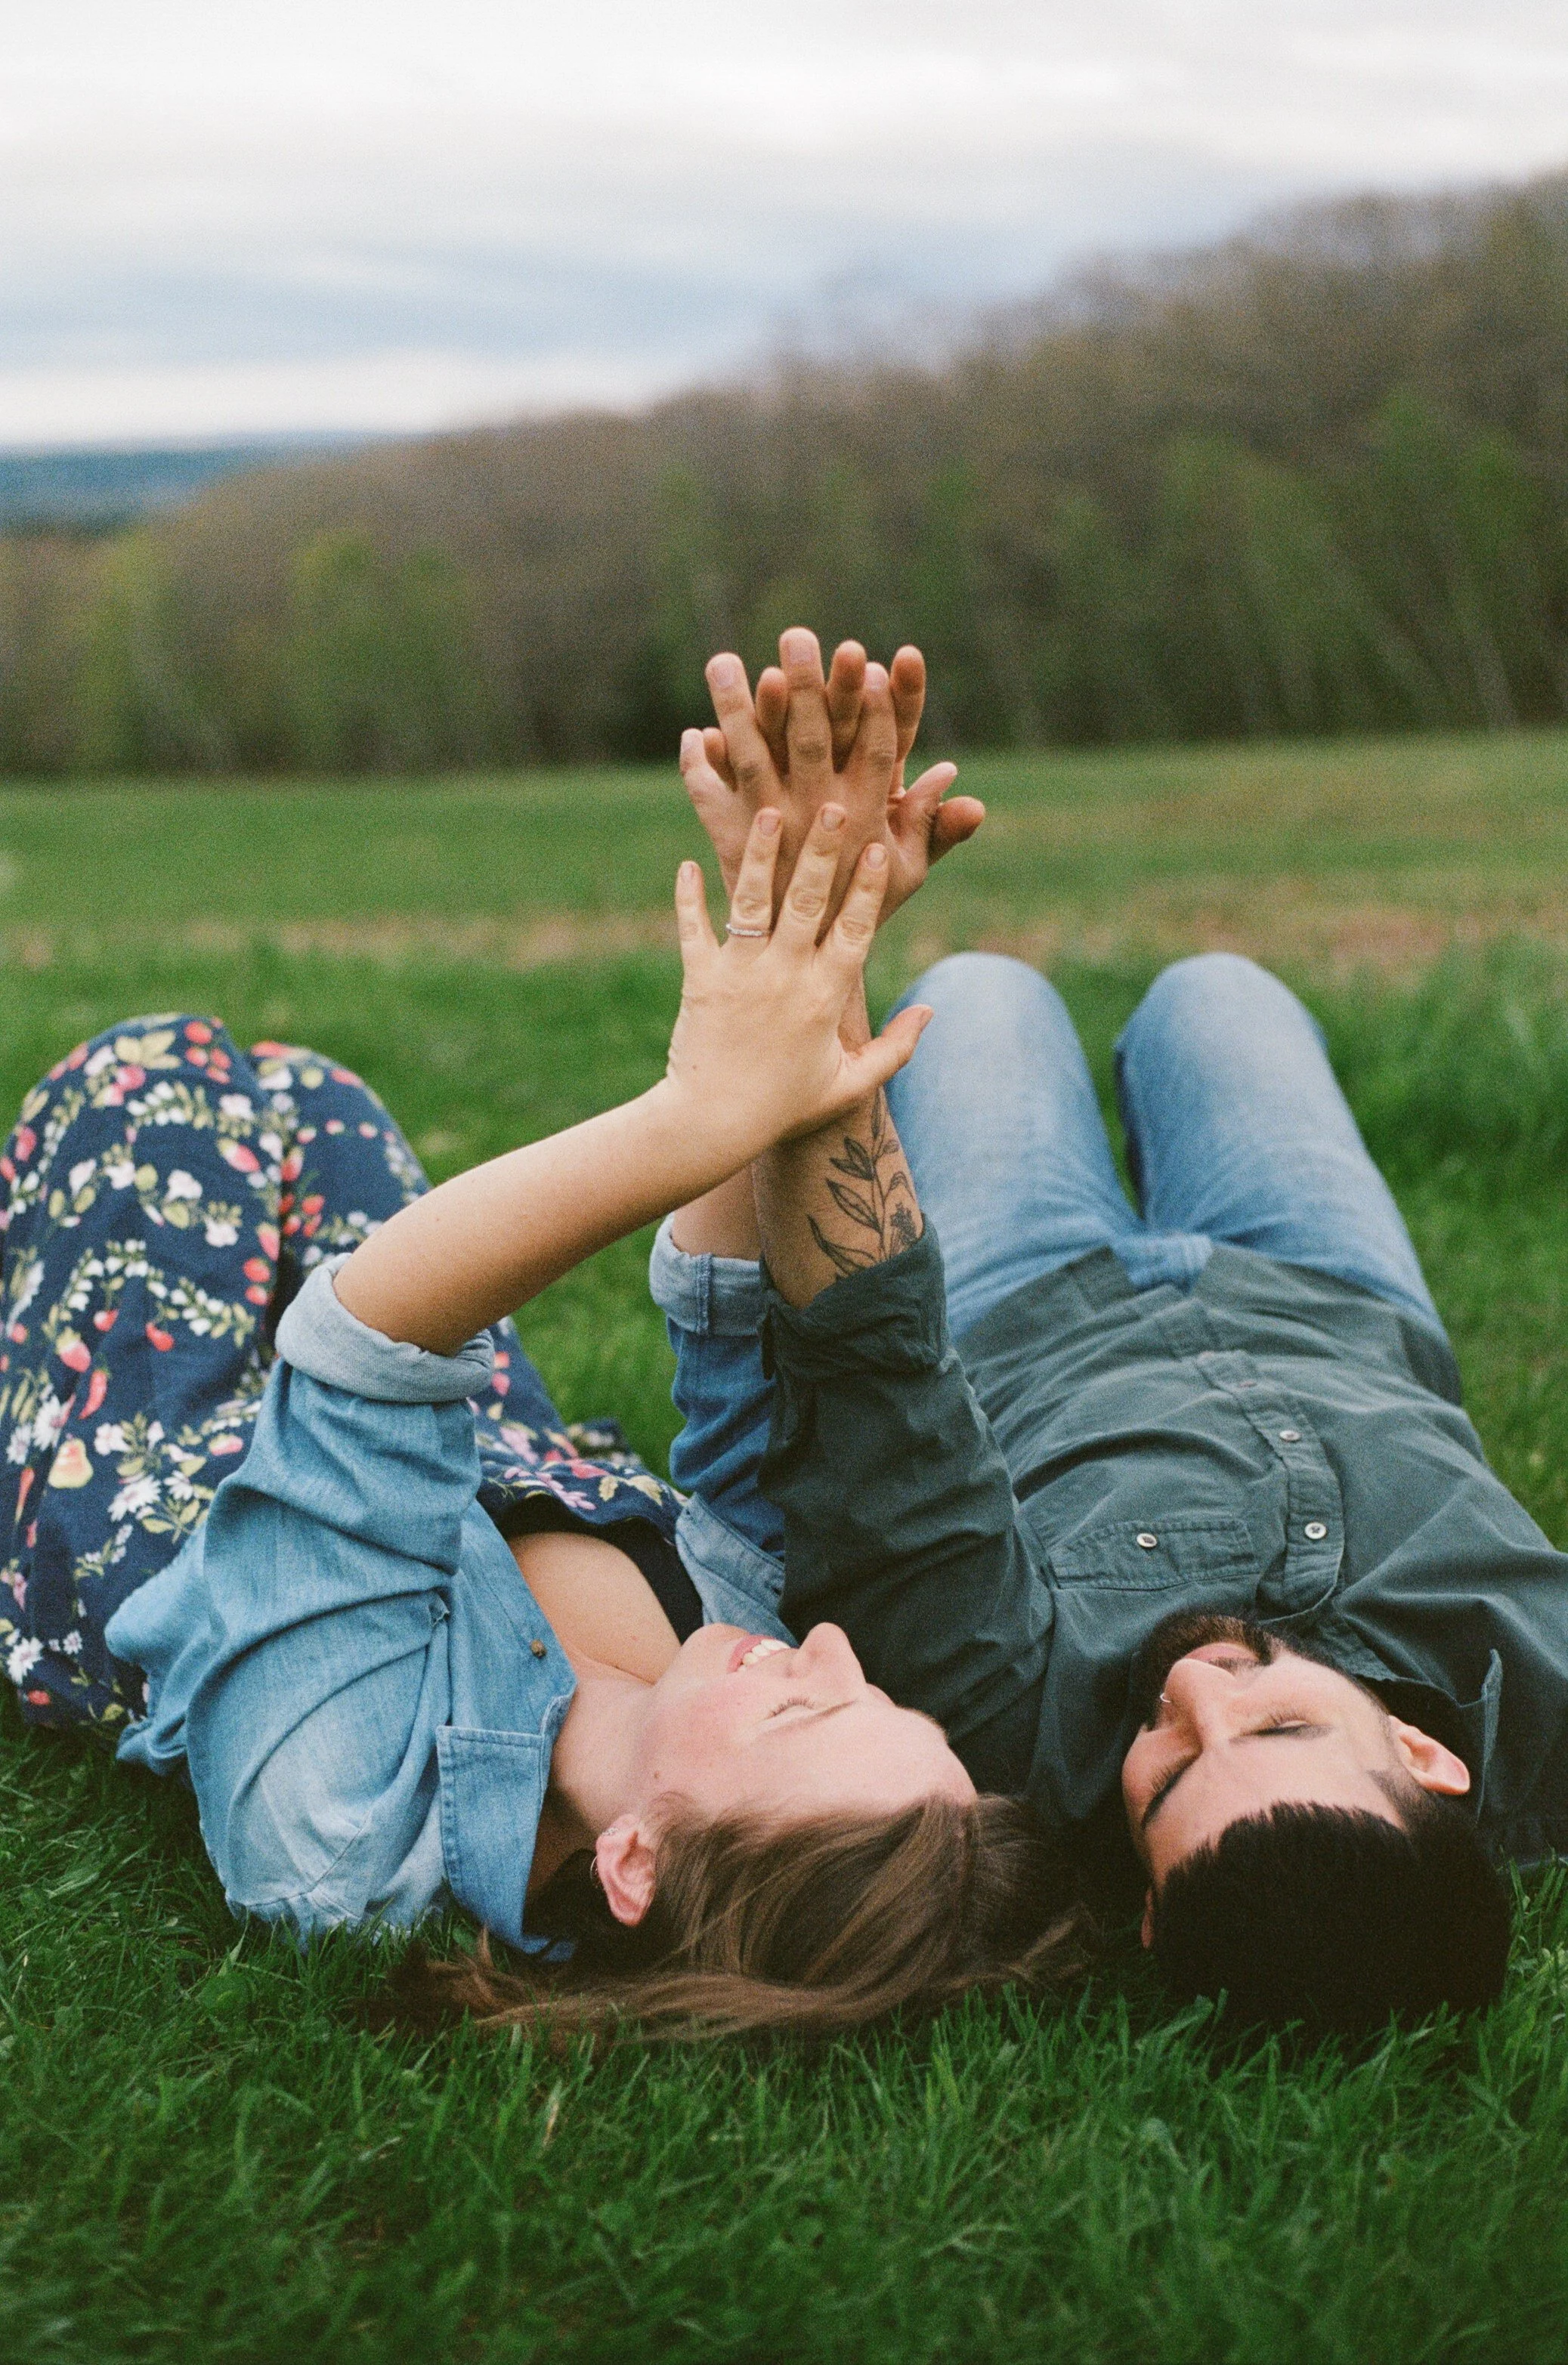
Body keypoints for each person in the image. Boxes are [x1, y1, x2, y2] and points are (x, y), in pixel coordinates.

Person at [0, 798, 1086, 2037]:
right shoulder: (736, 1641)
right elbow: (730, 1330)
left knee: (158, 1076)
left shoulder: (338, 1826)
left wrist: (694, 1121)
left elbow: (366, 1355)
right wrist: (805, 946)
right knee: (310, 1095)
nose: (833, 1647)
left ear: (635, 1863)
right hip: (470, 1440)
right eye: (881, 1698)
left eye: (803, 1706)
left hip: (174, 1482)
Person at [659, 628, 1529, 2036]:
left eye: (1170, 1772)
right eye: (1283, 1721)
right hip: (1327, 1298)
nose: (1190, 1689)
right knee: (1217, 993)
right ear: (1425, 1756)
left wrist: (819, 940)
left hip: (1024, 1294)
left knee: (983, 989)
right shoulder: (1534, 1677)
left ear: (1145, 1908)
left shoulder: (1012, 1734)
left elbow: (873, 1366)